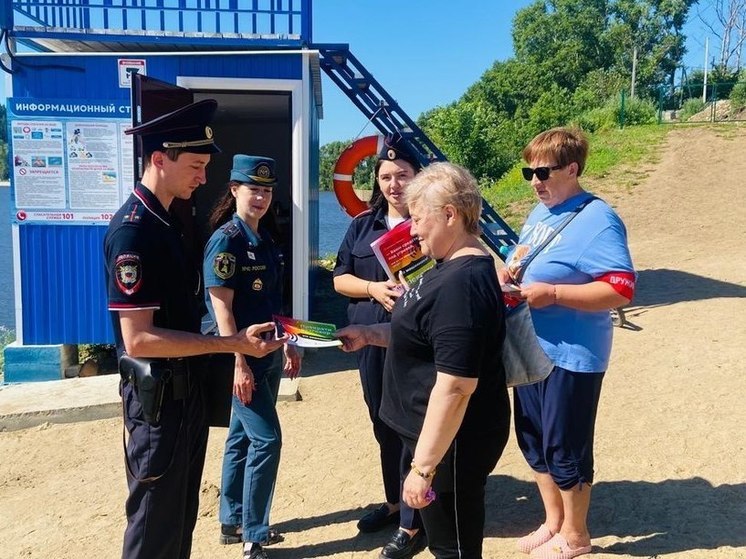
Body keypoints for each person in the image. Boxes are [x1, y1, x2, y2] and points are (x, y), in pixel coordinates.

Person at [104, 99, 287, 559]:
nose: (204, 178)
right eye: (197, 165)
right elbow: (139, 338)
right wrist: (230, 345)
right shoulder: (134, 232)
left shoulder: (168, 221)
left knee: (180, 519)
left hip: (186, 397)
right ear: (160, 160)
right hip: (158, 403)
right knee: (152, 525)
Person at [337, 162, 511, 559]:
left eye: (418, 219)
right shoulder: (447, 266)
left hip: (452, 446)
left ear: (450, 215)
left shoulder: (461, 285)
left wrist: (422, 469)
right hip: (434, 438)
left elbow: (456, 386)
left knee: (453, 549)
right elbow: (426, 338)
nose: (412, 230)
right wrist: (368, 334)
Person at [498, 127, 635, 559]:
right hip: (529, 347)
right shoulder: (540, 214)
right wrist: (509, 273)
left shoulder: (598, 218)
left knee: (566, 445)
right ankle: (553, 522)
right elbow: (524, 259)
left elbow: (621, 288)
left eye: (544, 172)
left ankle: (576, 535)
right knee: (534, 440)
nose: (535, 181)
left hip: (571, 356)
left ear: (572, 169)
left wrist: (554, 294)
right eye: (528, 172)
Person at [203, 155, 302, 559]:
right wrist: (238, 363)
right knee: (267, 439)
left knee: (242, 437)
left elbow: (272, 301)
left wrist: (291, 340)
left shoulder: (266, 240)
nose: (260, 197)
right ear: (234, 191)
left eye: (266, 190)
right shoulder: (227, 240)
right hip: (241, 358)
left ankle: (232, 519)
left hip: (269, 353)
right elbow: (220, 307)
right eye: (252, 188)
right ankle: (254, 536)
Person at [333, 133, 426, 558]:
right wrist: (372, 287)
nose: (394, 185)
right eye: (386, 176)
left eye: (402, 175)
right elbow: (339, 279)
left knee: (413, 425)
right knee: (382, 422)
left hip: (415, 340)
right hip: (370, 338)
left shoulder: (431, 224)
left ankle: (413, 522)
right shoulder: (361, 225)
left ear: (417, 178)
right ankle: (393, 502)